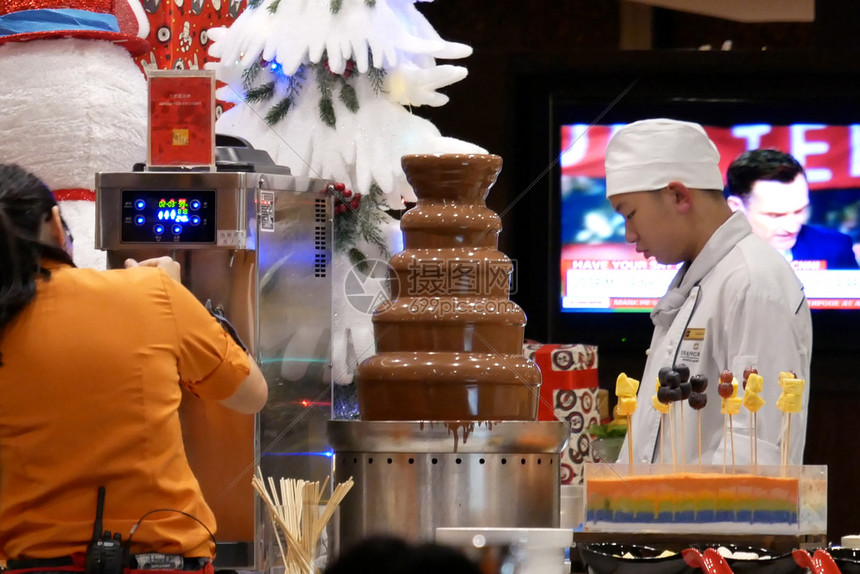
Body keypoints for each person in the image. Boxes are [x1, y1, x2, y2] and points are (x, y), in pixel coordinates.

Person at [0, 165, 268, 568]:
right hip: (163, 562)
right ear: (56, 225)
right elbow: (253, 395)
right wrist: (179, 299)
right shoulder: (150, 291)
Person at [604, 119, 811, 467]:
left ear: (678, 196)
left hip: (710, 521)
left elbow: (754, 451)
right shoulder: (704, 280)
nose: (629, 234)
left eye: (630, 213)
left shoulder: (752, 281)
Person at [725, 148, 859, 269]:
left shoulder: (834, 248)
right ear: (736, 207)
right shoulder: (708, 258)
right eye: (776, 215)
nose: (792, 228)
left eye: (799, 211)